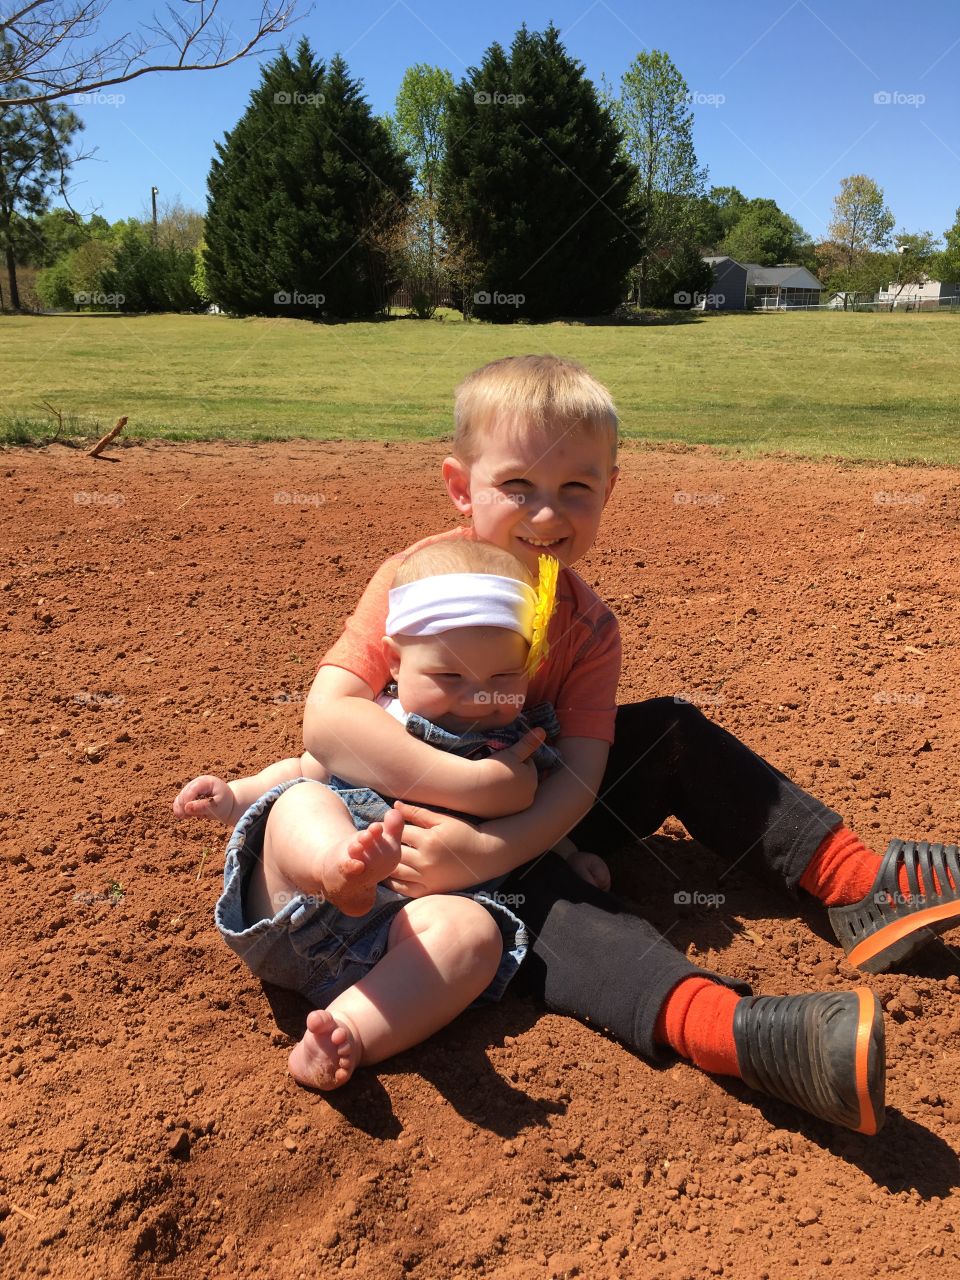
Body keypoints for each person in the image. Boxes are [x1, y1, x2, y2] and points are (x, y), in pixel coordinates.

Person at [297, 354, 960, 1136]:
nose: (547, 516)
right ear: (459, 486)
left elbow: (578, 780)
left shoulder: (590, 626)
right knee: (546, 900)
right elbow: (329, 721)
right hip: (393, 833)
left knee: (673, 733)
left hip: (527, 813)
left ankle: (856, 884)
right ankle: (731, 1033)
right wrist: (469, 812)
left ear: (610, 490)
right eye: (518, 488)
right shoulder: (416, 580)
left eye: (576, 488)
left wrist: (495, 841)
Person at [174, 539, 608, 1090]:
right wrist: (236, 796)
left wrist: (573, 856)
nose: (478, 698)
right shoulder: (378, 723)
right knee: (304, 802)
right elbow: (303, 768)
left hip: (394, 953)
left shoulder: (523, 746)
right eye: (451, 678)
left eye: (504, 679)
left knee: (475, 932)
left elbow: (539, 825)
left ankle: (348, 1032)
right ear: (397, 663)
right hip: (298, 911)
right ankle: (340, 866)